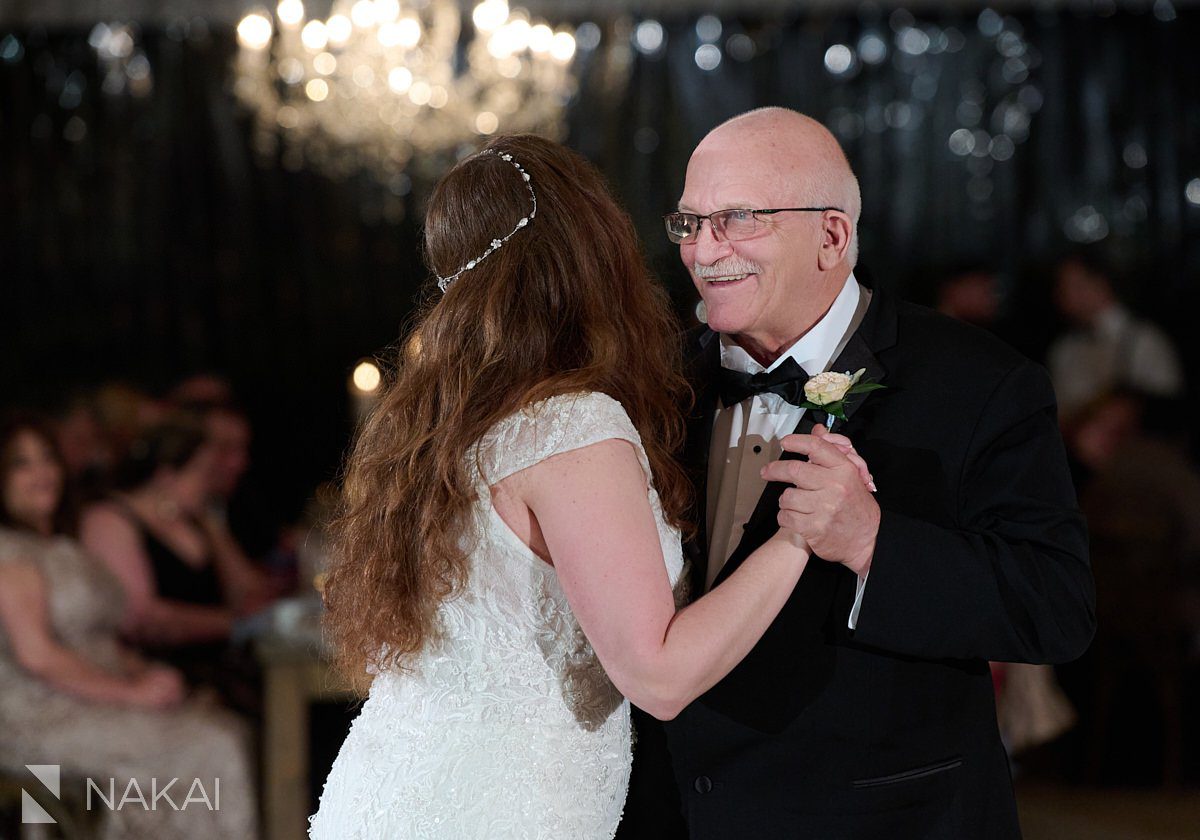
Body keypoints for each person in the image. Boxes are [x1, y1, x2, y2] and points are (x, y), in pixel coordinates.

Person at [308, 135, 872, 839]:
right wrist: (798, 533)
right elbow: (659, 678)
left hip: (395, 791)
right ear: (595, 250)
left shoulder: (446, 417)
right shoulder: (569, 425)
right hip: (494, 814)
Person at [622, 108, 1095, 839]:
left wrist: (877, 544)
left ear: (832, 236)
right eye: (690, 223)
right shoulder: (649, 384)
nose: (702, 251)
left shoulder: (981, 383)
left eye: (736, 220)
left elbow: (1056, 609)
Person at [0, 414, 257, 839]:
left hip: (91, 695)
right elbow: (39, 656)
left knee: (225, 731)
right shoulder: (10, 555)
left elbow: (93, 636)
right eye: (20, 463)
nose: (41, 472)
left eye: (46, 458)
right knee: (210, 749)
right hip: (40, 713)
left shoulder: (60, 546)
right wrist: (131, 693)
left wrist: (139, 671)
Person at [79, 414, 272, 705]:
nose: (211, 483)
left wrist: (213, 527)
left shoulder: (195, 521)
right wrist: (231, 624)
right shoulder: (111, 520)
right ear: (166, 475)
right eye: (203, 472)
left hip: (221, 667)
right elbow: (140, 618)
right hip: (158, 672)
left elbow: (249, 590)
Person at [1048, 250, 1184, 417]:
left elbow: (1167, 412)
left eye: (1067, 285)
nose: (1059, 295)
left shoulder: (1145, 341)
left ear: (1100, 283)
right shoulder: (1065, 347)